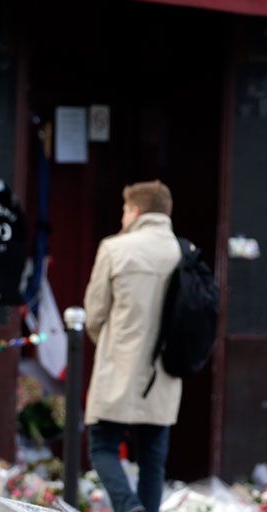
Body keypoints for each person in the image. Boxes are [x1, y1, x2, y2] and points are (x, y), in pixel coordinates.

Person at [83, 181, 182, 512]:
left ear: (136, 211)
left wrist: (111, 342)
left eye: (124, 211)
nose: (122, 218)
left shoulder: (115, 248)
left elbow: (95, 314)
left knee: (102, 446)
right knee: (153, 458)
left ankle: (129, 508)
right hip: (165, 370)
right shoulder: (183, 252)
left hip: (119, 364)